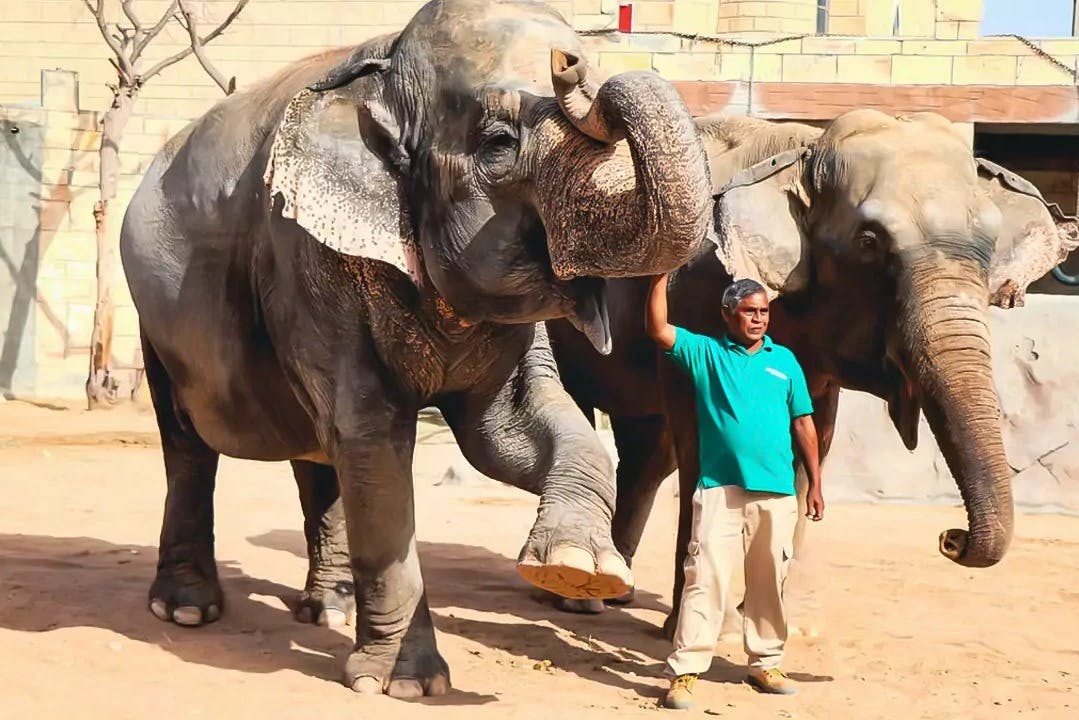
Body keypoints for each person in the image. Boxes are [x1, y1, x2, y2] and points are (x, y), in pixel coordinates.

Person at [644, 274, 824, 710]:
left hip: (778, 493)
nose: (759, 319)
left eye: (763, 311)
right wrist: (660, 274)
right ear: (728, 314)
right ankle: (685, 671)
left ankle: (765, 662)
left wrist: (815, 483)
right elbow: (658, 328)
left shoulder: (786, 363)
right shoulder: (706, 353)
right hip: (718, 489)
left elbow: (803, 423)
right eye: (749, 311)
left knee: (769, 581)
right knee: (703, 578)